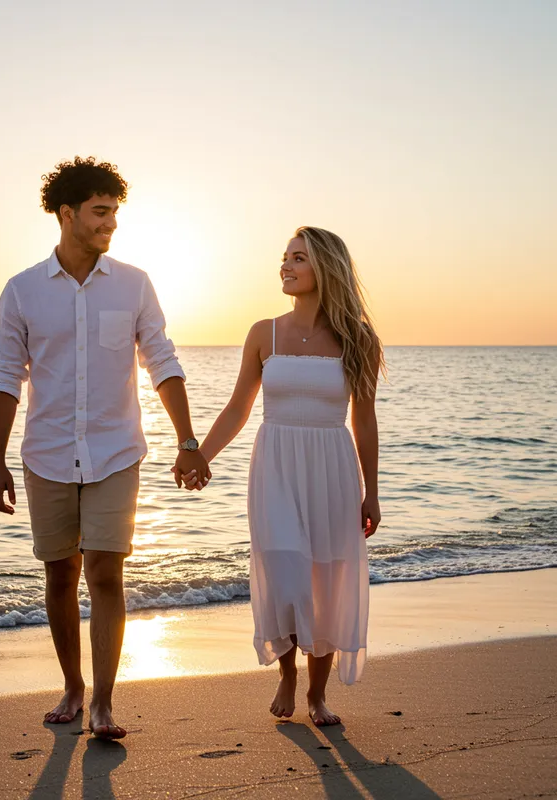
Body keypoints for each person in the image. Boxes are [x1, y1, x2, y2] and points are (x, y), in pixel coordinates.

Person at [0, 156, 211, 739]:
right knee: (60, 573)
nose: (111, 222)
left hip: (115, 451)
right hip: (47, 453)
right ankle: (72, 687)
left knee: (106, 571)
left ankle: (105, 702)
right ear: (67, 214)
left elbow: (162, 360)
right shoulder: (22, 291)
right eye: (100, 211)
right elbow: (6, 375)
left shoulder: (134, 284)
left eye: (115, 211)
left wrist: (188, 441)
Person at [178, 226, 382, 726]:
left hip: (333, 468)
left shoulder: (358, 338)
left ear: (325, 269)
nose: (285, 267)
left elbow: (366, 419)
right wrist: (199, 454)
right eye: (284, 258)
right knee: (286, 570)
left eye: (298, 259)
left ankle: (316, 694)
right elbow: (237, 409)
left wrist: (372, 492)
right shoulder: (263, 333)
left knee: (328, 579)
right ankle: (287, 673)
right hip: (276, 467)